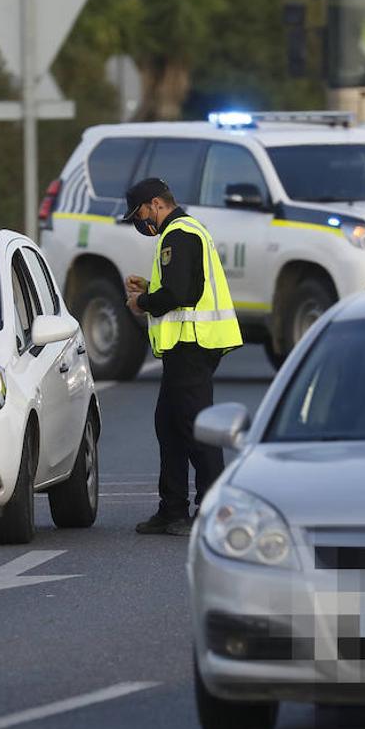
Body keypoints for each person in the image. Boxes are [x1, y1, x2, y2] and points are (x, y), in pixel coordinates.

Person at [121, 177, 243, 536]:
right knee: (170, 426)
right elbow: (184, 285)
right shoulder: (183, 232)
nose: (140, 222)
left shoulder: (179, 234)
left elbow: (181, 293)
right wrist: (150, 287)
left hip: (192, 345)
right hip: (187, 347)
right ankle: (172, 509)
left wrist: (141, 302)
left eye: (140, 213)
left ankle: (212, 511)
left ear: (156, 204)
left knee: (196, 430)